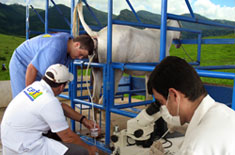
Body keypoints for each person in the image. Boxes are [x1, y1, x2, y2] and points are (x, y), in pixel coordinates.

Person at [1, 64, 99, 155]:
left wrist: (84, 120)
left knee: (57, 129)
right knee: (81, 151)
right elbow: (68, 137)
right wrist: (89, 149)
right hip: (23, 148)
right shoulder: (49, 101)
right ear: (61, 87)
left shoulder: (36, 87)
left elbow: (61, 107)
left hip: (9, 141)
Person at [147, 56, 235, 154]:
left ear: (174, 95)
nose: (163, 108)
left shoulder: (194, 147)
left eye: (161, 102)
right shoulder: (226, 112)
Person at [9, 32, 94, 98]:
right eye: (81, 54)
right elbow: (31, 68)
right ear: (77, 44)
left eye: (82, 57)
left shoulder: (69, 45)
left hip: (36, 67)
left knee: (39, 96)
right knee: (24, 98)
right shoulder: (55, 49)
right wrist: (30, 95)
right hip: (22, 62)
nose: (79, 58)